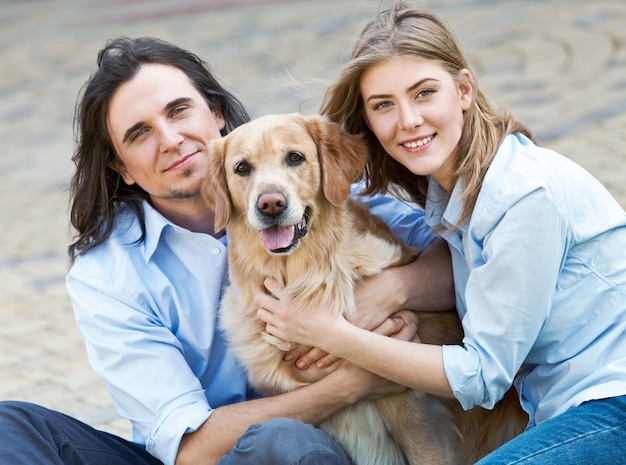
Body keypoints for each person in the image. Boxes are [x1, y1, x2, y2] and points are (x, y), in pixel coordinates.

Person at [0, 36, 455, 465]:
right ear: (123, 169)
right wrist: (354, 383)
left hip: (315, 449)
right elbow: (189, 449)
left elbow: (457, 261)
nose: (171, 139)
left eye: (179, 111)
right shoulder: (108, 275)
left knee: (285, 444)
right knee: (10, 426)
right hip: (215, 453)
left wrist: (388, 292)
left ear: (215, 112)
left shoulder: (308, 185)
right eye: (140, 134)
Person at [256, 3, 626, 464]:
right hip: (556, 408)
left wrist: (330, 332)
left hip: (612, 403)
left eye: (424, 92)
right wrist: (387, 293)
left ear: (464, 90)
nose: (407, 120)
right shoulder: (453, 196)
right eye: (383, 105)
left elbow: (483, 375)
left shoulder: (524, 194)